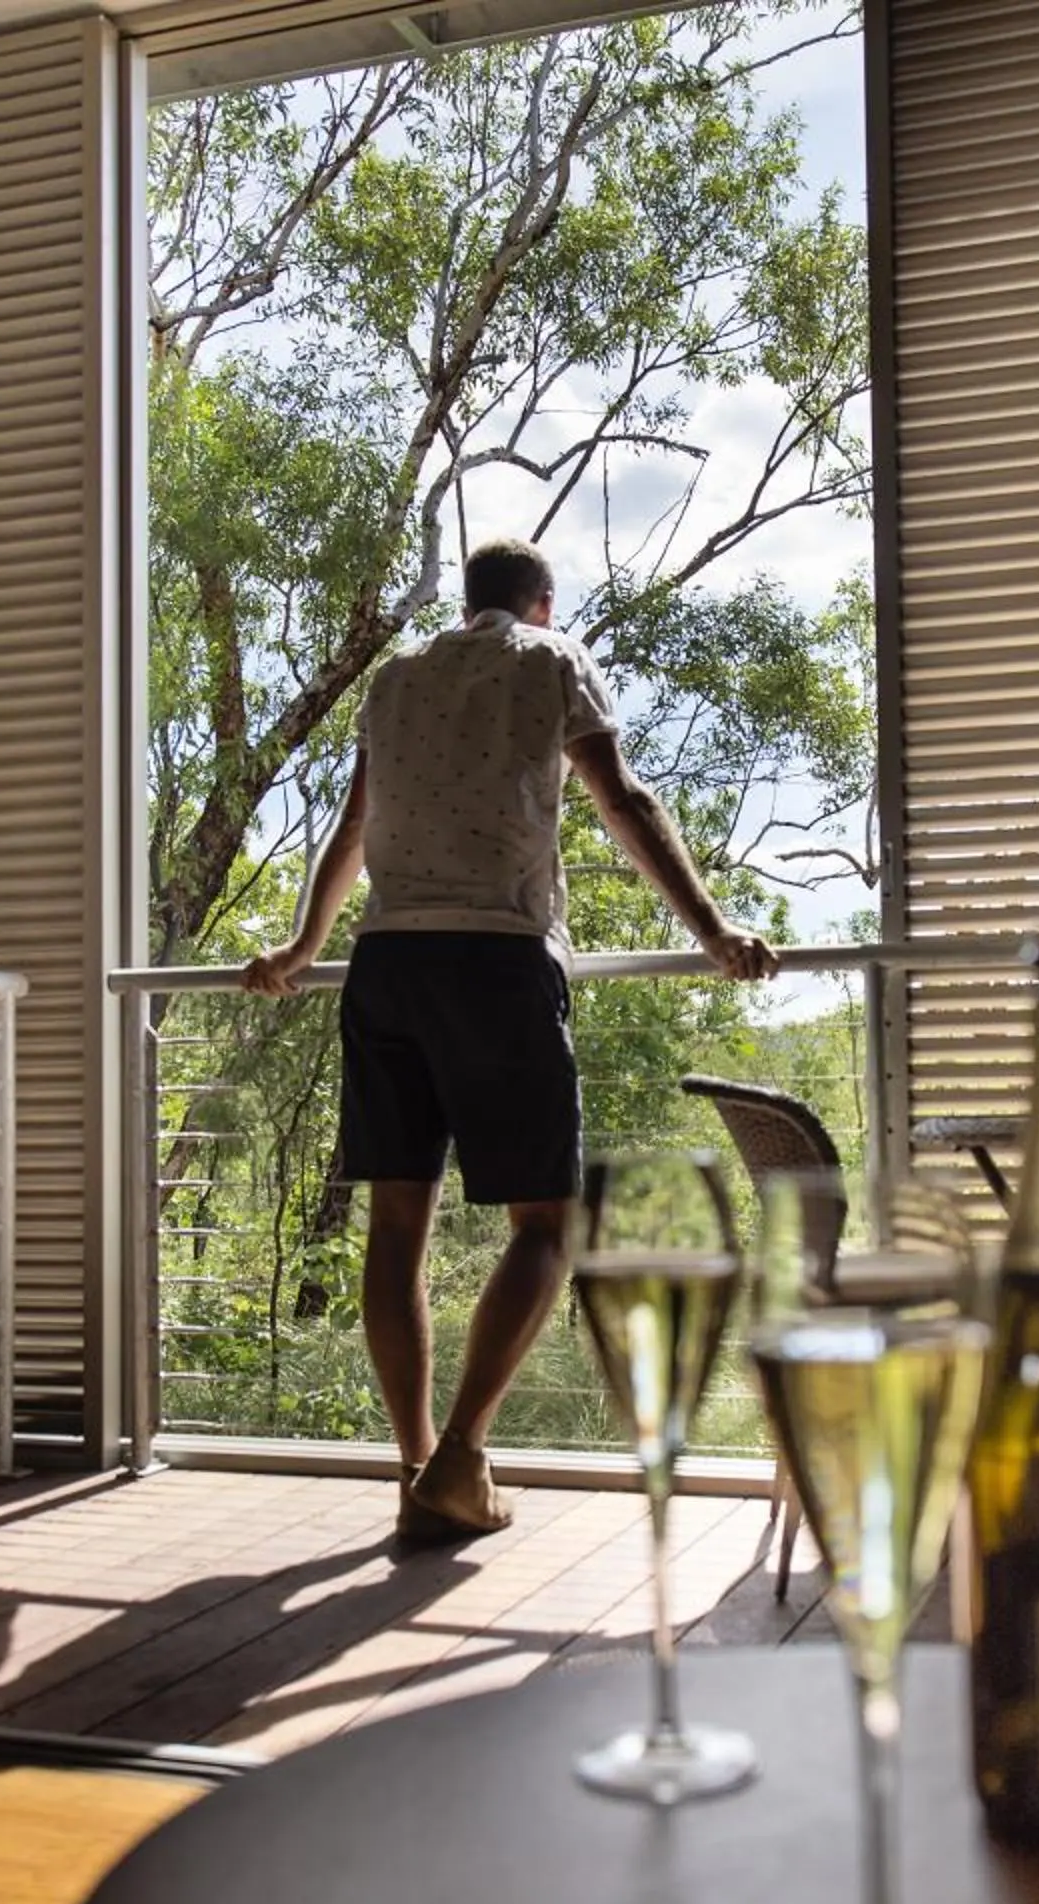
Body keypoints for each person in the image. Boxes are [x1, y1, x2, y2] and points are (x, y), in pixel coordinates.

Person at [241, 538, 777, 1544]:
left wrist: (300, 945)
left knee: (397, 1226)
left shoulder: (396, 677)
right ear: (542, 602)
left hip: (386, 967)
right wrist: (714, 934)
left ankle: (415, 1469)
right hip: (495, 962)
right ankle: (460, 1456)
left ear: (466, 601)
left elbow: (353, 824)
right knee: (547, 1224)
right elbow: (623, 800)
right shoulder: (549, 657)